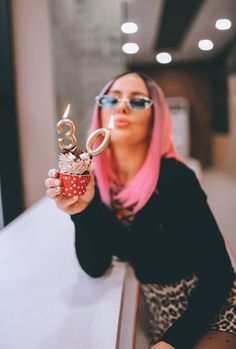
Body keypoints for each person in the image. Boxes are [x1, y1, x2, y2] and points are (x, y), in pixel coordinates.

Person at [45, 72, 236, 349]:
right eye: (112, 98)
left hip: (212, 309)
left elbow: (219, 272)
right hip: (163, 316)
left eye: (137, 101)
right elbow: (95, 266)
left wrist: (173, 342)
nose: (121, 106)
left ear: (154, 119)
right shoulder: (92, 182)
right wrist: (81, 211)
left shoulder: (175, 178)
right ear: (101, 112)